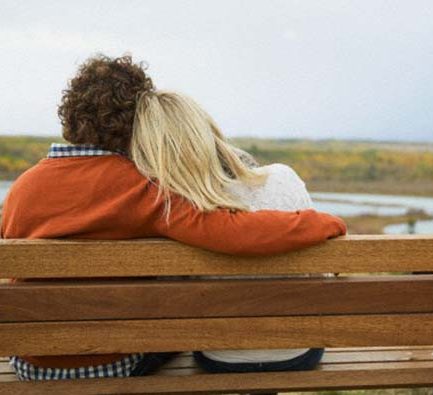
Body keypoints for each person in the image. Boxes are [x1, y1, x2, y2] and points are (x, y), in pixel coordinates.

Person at [0, 55, 346, 381]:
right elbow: (233, 232)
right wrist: (322, 222)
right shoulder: (143, 188)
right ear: (141, 123)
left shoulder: (23, 188)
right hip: (114, 361)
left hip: (32, 361)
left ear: (69, 117)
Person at [132, 91, 327, 373]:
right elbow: (316, 273)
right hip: (298, 351)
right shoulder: (284, 178)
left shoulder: (176, 209)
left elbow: (172, 299)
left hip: (221, 356)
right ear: (207, 129)